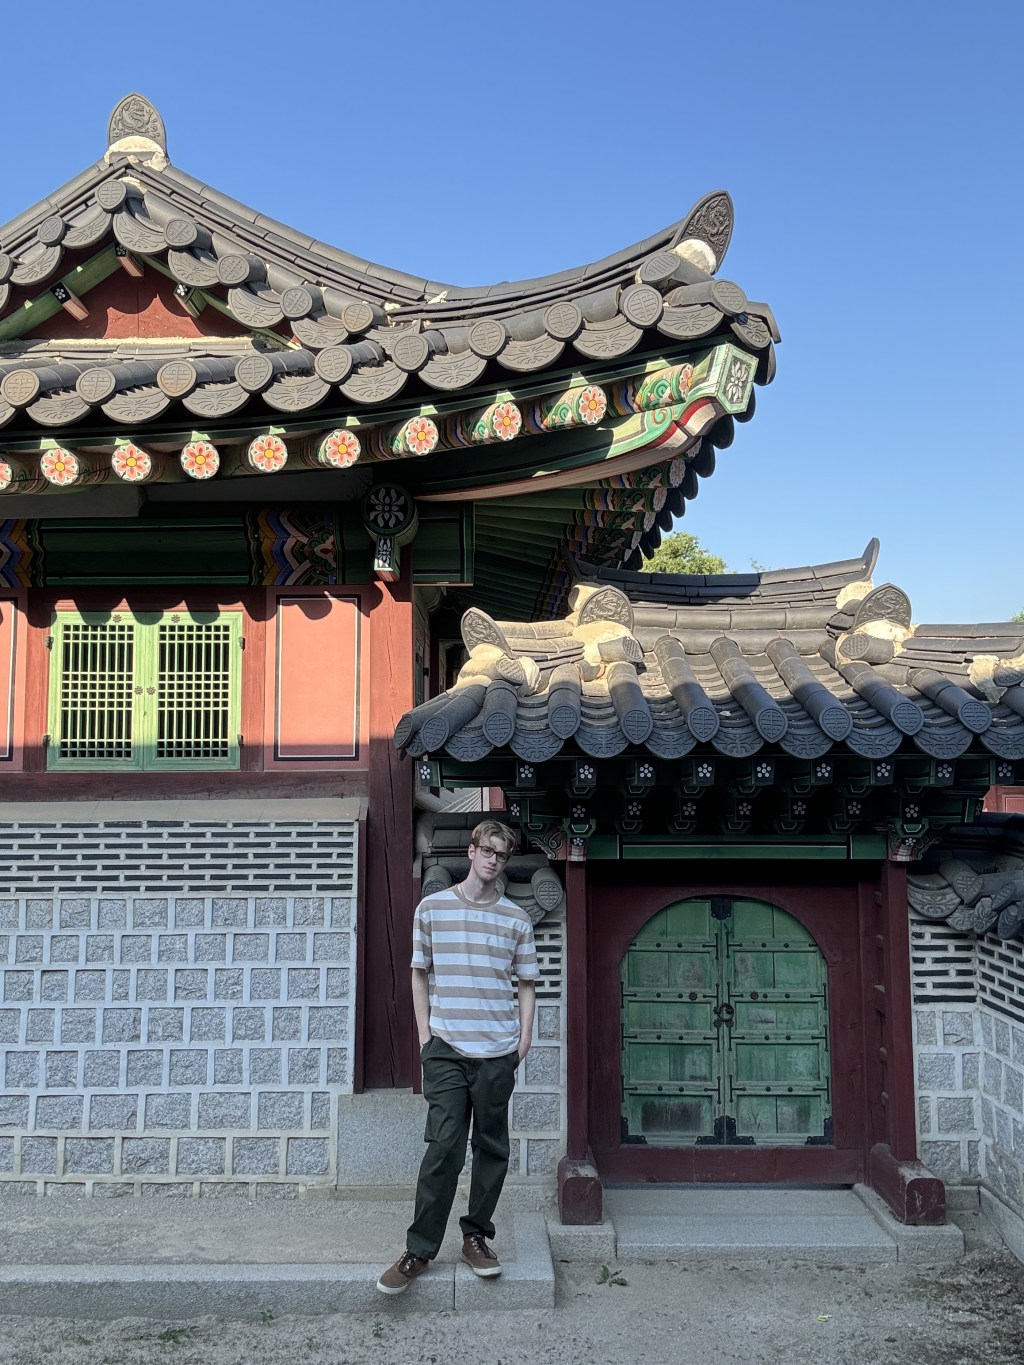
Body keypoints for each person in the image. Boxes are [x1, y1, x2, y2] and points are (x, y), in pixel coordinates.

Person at [376, 818, 539, 1294]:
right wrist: (425, 1035)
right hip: (446, 1047)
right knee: (443, 1146)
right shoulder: (432, 909)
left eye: (501, 855)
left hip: (498, 1050)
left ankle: (476, 1237)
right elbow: (418, 972)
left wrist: (524, 1039)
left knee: (491, 1148)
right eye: (487, 850)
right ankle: (419, 1249)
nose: (493, 860)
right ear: (471, 851)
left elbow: (527, 984)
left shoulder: (516, 919)